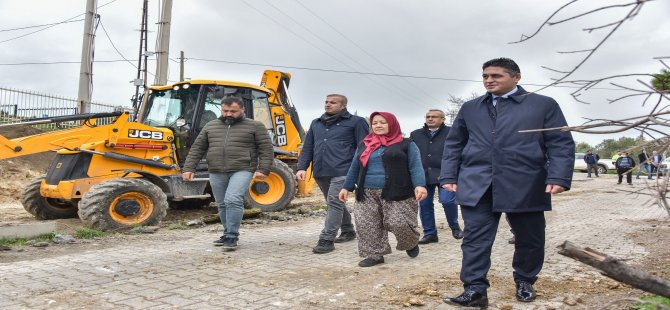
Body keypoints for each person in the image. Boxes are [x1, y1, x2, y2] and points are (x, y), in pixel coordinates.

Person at [439, 58, 575, 307]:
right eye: (485, 76)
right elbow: (454, 143)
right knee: (475, 239)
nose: (489, 80)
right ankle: (475, 289)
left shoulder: (542, 105)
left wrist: (559, 176)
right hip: (478, 182)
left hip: (525, 182)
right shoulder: (470, 108)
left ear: (516, 77)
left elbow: (560, 142)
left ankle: (525, 281)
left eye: (496, 76)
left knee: (530, 238)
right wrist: (448, 175)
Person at [182, 97, 274, 251]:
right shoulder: (210, 126)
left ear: (242, 110)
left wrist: (263, 169)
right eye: (225, 111)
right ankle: (226, 233)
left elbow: (266, 149)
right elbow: (197, 148)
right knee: (222, 203)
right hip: (216, 169)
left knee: (233, 199)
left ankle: (232, 235)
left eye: (233, 111)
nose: (228, 114)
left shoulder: (255, 126)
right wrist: (188, 168)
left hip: (243, 168)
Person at [338, 112, 427, 267]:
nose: (378, 125)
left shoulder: (406, 144)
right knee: (367, 224)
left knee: (399, 223)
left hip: (397, 191)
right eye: (375, 123)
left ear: (391, 124)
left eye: (383, 122)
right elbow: (354, 167)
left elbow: (415, 166)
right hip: (366, 192)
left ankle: (410, 242)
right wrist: (346, 187)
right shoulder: (365, 144)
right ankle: (375, 254)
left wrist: (419, 184)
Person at [296, 94, 369, 254]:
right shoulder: (316, 123)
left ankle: (327, 239)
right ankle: (348, 230)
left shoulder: (356, 122)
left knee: (334, 201)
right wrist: (302, 167)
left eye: (333, 102)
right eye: (326, 102)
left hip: (344, 170)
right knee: (333, 202)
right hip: (321, 170)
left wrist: (360, 171)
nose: (328, 105)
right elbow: (308, 147)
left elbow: (363, 147)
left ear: (343, 105)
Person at [410, 109, 463, 244]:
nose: (430, 119)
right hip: (424, 174)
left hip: (446, 173)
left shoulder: (452, 132)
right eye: (428, 116)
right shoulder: (416, 134)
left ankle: (455, 227)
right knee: (425, 204)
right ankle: (430, 234)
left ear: (443, 119)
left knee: (447, 201)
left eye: (434, 117)